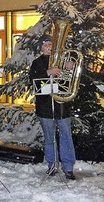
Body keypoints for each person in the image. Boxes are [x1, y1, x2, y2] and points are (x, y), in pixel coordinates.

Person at [28, 34, 76, 180]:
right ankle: (52, 165)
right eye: (46, 44)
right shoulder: (37, 63)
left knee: (66, 136)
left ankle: (68, 167)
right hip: (45, 106)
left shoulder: (62, 61)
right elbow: (33, 80)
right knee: (49, 138)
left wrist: (70, 68)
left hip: (62, 105)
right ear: (41, 48)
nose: (49, 47)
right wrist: (48, 72)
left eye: (51, 44)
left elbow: (71, 81)